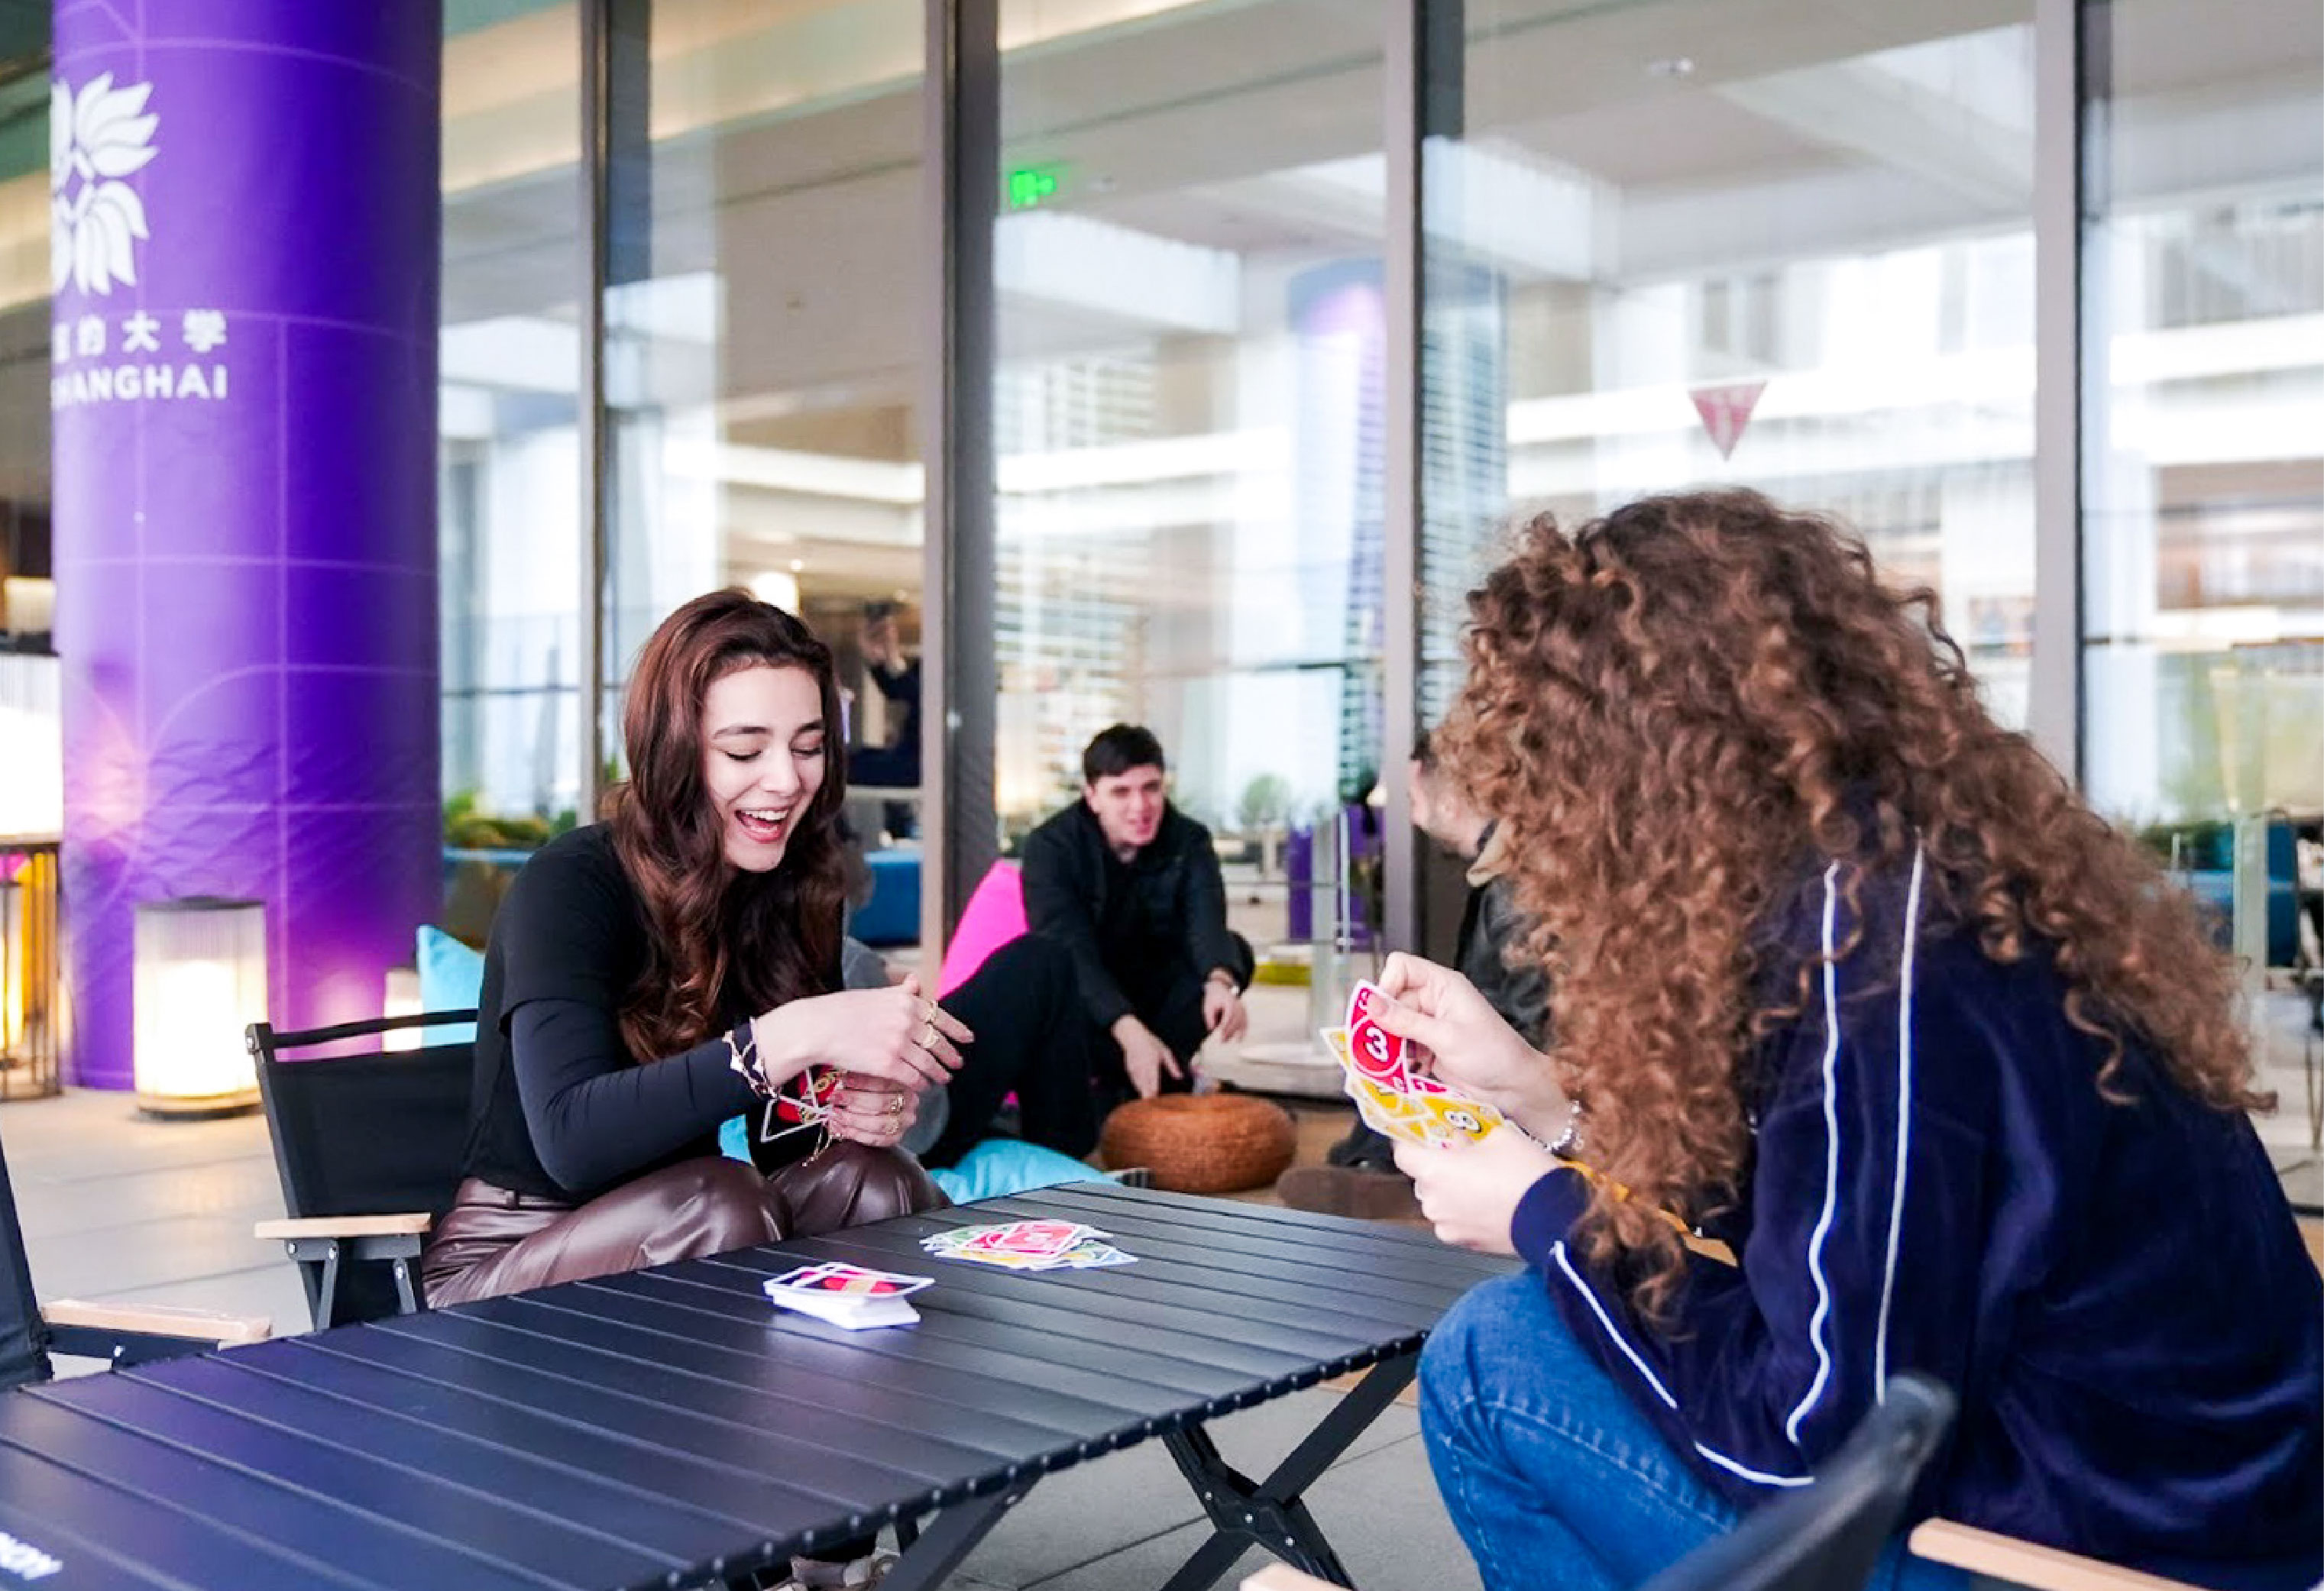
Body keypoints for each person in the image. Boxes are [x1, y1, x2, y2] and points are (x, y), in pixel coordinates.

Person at [1369, 490, 2320, 1591]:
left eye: (1547, 769)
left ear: (1637, 762)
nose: (1539, 820)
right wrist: (1552, 1104)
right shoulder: (1926, 879)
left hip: (2090, 1551)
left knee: (1495, 1357)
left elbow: (1818, 1436)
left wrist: (1543, 1209)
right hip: (2211, 1496)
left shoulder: (1881, 964)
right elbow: (1851, 1229)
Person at [422, 589, 967, 1589]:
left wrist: (848, 1111)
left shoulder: (782, 895)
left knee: (870, 1180)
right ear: (678, 752)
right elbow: (572, 1143)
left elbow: (776, 1158)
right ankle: (738, 1556)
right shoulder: (570, 883)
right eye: (745, 747)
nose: (784, 779)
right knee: (716, 1201)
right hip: (507, 1268)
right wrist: (787, 1034)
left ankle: (830, 1551)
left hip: (680, 1247)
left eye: (807, 745)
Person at [1282, 731, 1549, 1214]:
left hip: (1517, 1080)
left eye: (1411, 794)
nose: (1406, 811)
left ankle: (1385, 1174)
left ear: (1449, 795)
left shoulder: (1516, 883)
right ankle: (1372, 1167)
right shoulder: (1504, 872)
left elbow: (1538, 1024)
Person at [1020, 724, 1254, 1106]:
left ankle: (1153, 1078)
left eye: (1151, 788)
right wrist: (1127, 1028)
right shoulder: (1051, 846)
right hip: (1091, 993)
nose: (1140, 806)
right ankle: (1155, 1079)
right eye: (1121, 791)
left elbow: (1207, 921)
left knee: (1234, 953)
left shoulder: (1189, 838)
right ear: (1092, 797)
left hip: (1157, 986)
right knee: (1047, 971)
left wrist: (1220, 981)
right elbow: (1067, 947)